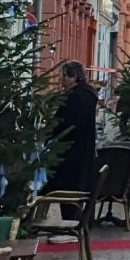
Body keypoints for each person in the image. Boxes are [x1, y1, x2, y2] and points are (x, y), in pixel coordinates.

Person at [44, 61, 100, 217]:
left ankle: (69, 223)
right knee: (76, 187)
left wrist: (51, 133)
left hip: (69, 150)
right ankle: (76, 220)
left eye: (64, 76)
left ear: (74, 77)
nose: (61, 80)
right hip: (82, 149)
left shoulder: (75, 97)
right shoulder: (88, 96)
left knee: (67, 187)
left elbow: (66, 123)